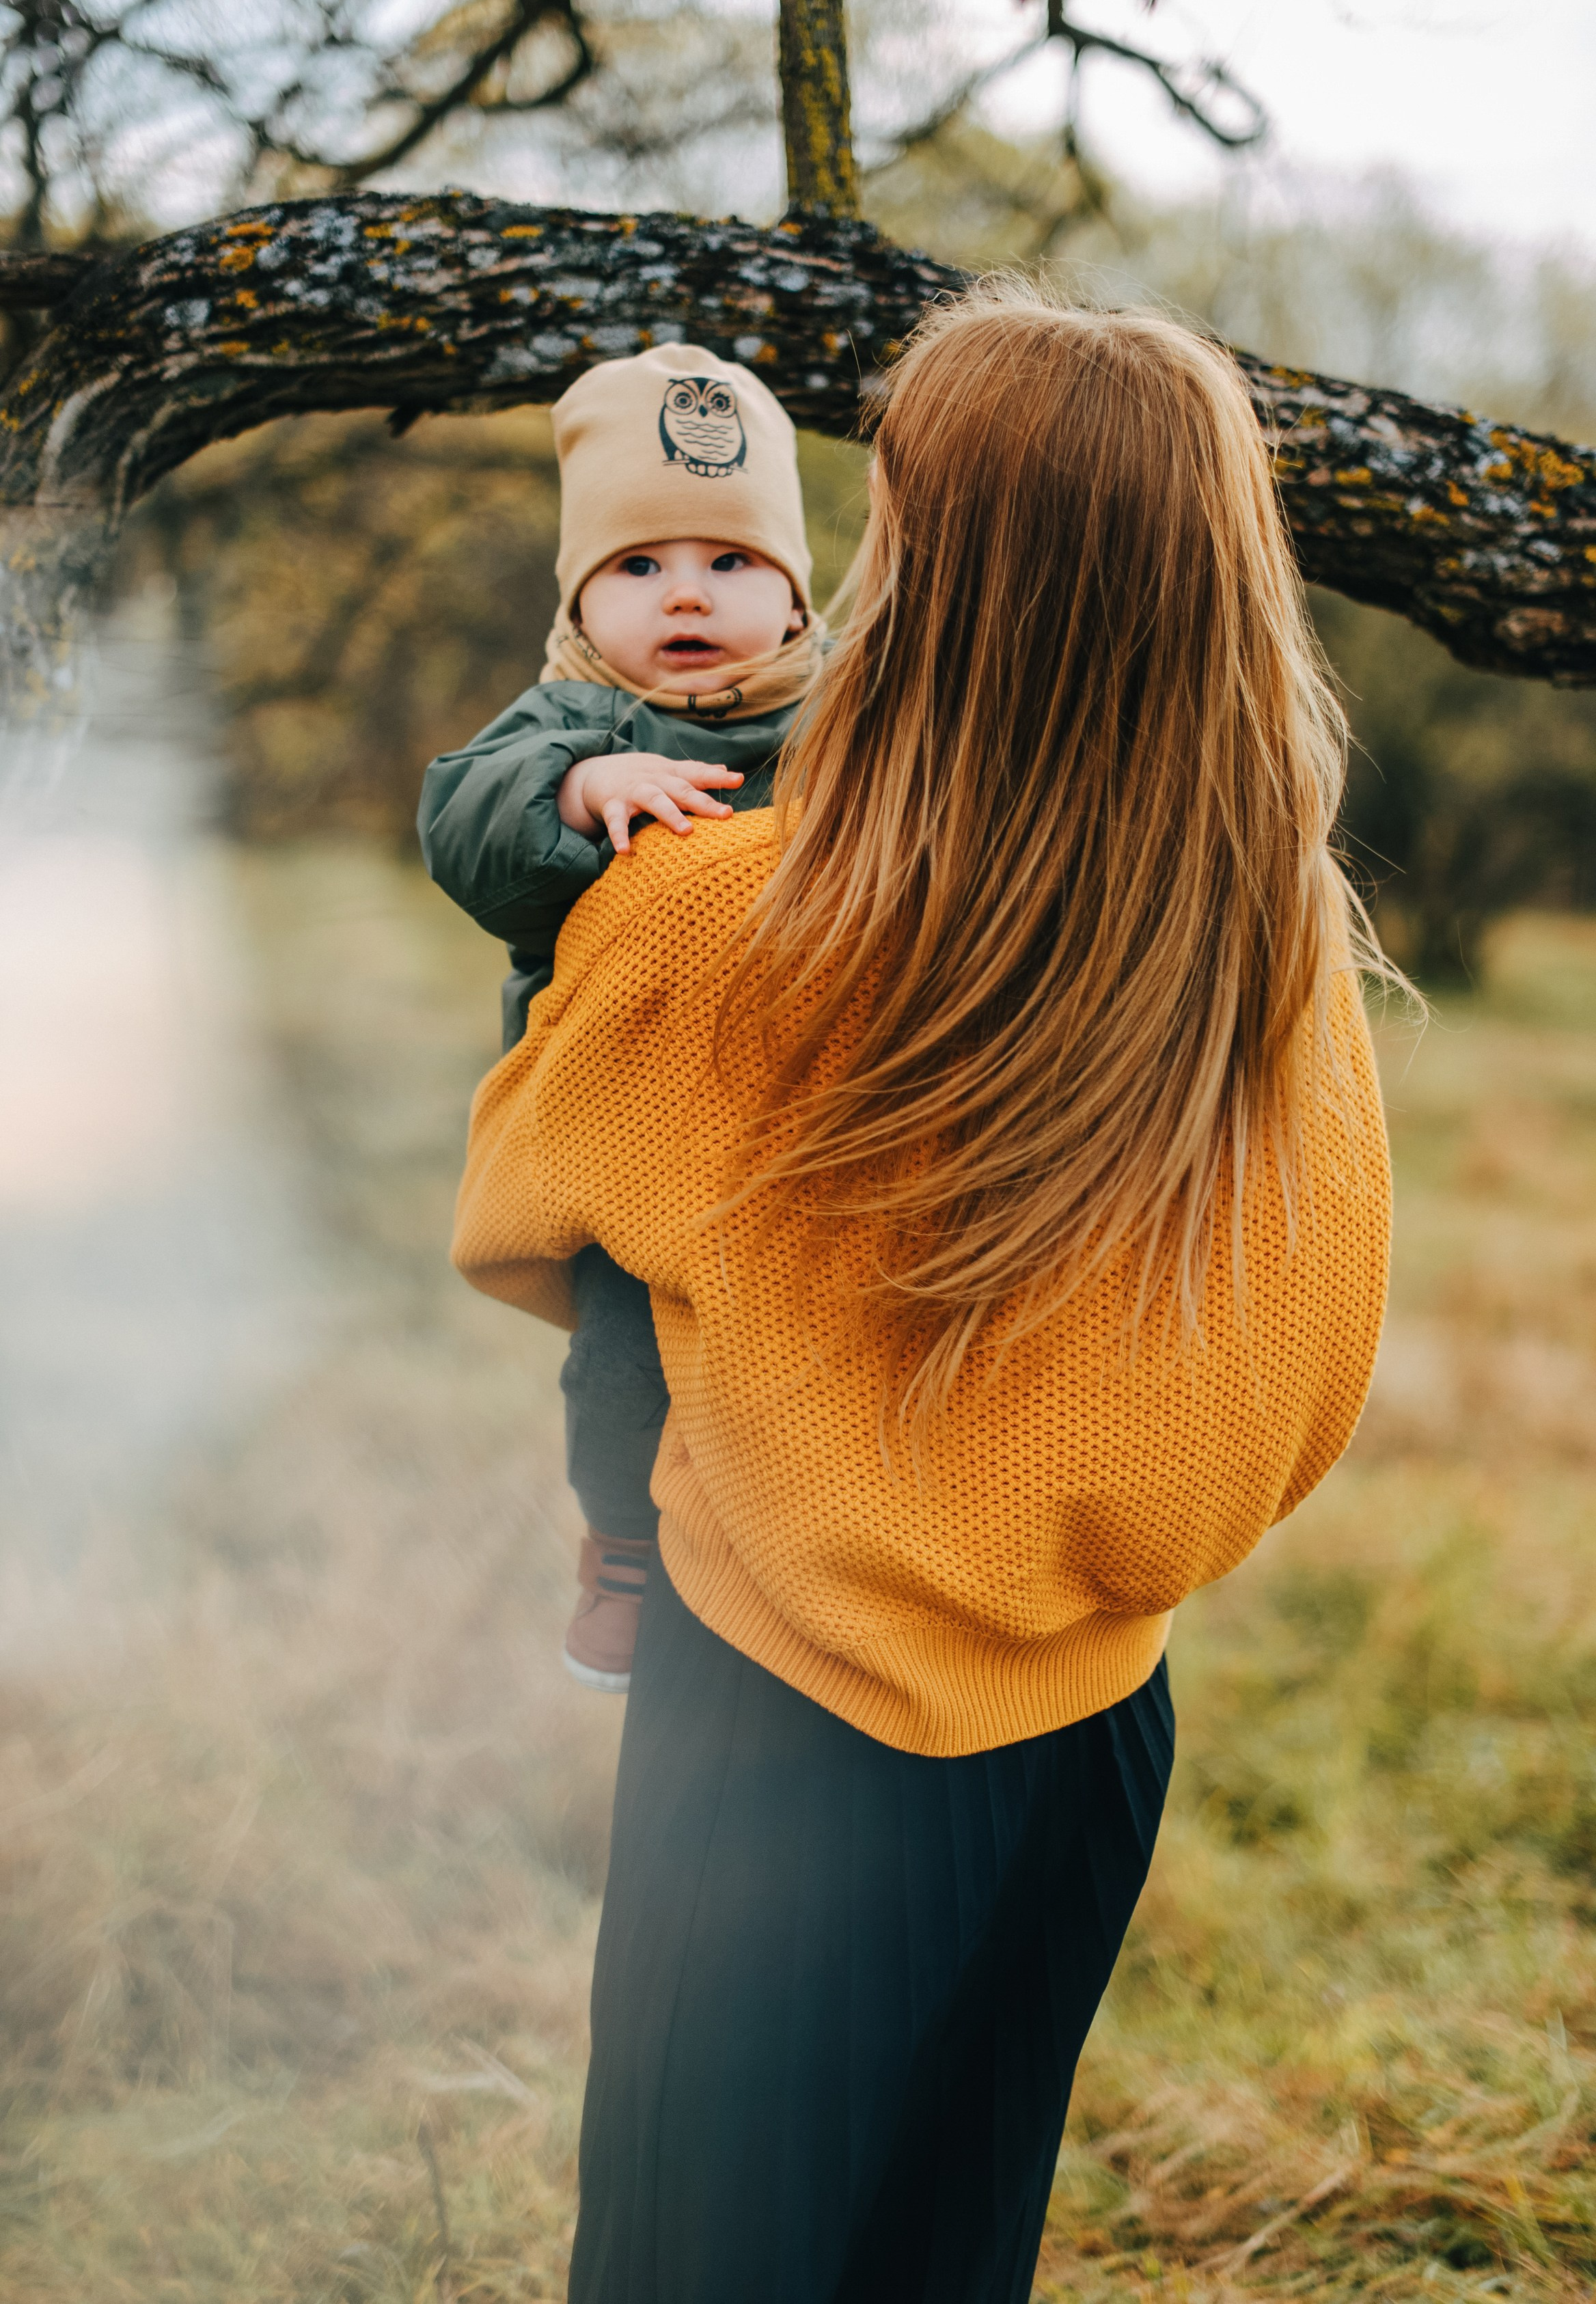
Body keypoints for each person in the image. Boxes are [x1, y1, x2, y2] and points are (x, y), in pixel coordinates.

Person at [450, 279, 1395, 2304]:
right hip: (1095, 1735)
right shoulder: (1275, 938)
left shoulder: (716, 913)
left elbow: (527, 1215)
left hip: (777, 1732)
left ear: (936, 571)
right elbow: (1297, 1392)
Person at [418, 342, 824, 1690]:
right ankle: (627, 1551)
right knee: (622, 1366)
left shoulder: (839, 722)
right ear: (585, 595)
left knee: (802, 1360)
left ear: (793, 590)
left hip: (798, 1122)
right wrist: (584, 788)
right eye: (639, 567)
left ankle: (802, 1546)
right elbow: (461, 820)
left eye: (730, 560)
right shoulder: (562, 719)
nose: (687, 593)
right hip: (624, 1132)